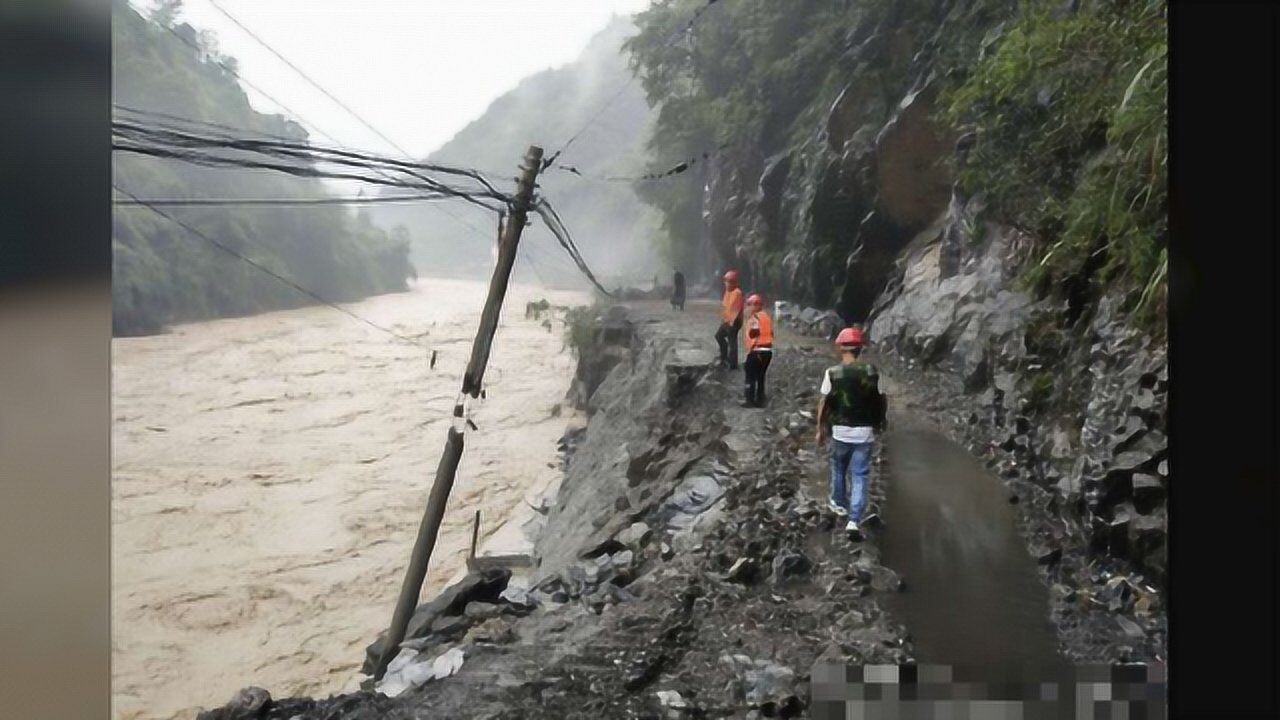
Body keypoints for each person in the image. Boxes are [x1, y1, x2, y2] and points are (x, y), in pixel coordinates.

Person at [815, 326, 887, 536]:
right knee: (860, 475)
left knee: (838, 468)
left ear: (841, 348)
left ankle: (838, 504)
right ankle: (854, 521)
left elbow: (824, 403)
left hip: (839, 431)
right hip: (864, 433)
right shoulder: (872, 372)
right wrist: (880, 422)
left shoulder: (832, 373)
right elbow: (881, 400)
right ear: (859, 349)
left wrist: (820, 428)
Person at [741, 293, 773, 407]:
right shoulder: (766, 317)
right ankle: (760, 400)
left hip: (757, 351)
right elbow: (771, 334)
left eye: (749, 304)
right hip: (768, 352)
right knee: (760, 377)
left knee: (749, 376)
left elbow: (753, 335)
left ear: (755, 305)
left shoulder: (755, 319)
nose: (748, 307)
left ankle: (749, 400)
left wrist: (750, 352)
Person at [714, 270, 744, 369]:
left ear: (733, 283)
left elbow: (735, 309)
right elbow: (726, 307)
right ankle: (724, 357)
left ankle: (733, 364)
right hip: (727, 320)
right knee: (719, 336)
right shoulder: (728, 292)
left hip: (734, 321)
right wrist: (723, 320)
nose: (726, 284)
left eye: (728, 282)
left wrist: (730, 323)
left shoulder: (737, 293)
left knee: (732, 342)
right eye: (726, 281)